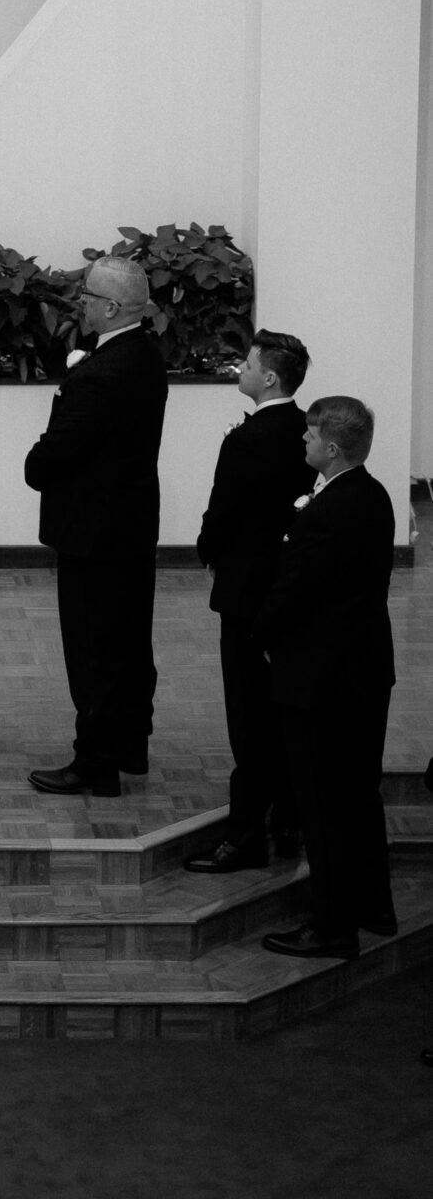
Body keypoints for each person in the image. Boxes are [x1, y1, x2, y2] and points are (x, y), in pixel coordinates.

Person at [23, 255, 168, 796]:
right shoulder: (146, 358)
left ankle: (96, 762)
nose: (79, 302)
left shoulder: (101, 374)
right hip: (130, 525)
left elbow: (58, 448)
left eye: (86, 295)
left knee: (92, 650)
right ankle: (130, 745)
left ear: (110, 307)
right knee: (129, 643)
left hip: (92, 532)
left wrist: (33, 465)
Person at [260, 395, 397, 962]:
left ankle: (331, 927)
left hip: (321, 681)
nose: (304, 441)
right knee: (359, 796)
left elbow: (295, 592)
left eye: (311, 436)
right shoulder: (375, 495)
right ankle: (373, 906)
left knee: (322, 807)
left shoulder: (323, 514)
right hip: (365, 670)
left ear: (333, 448)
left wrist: (262, 635)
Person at [184, 330, 310, 876]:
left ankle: (244, 835)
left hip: (244, 591)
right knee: (281, 705)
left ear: (270, 377)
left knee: (246, 714)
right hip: (288, 591)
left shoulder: (246, 440)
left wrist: (208, 550)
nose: (241, 367)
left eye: (249, 362)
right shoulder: (307, 431)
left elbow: (224, 508)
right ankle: (288, 815)